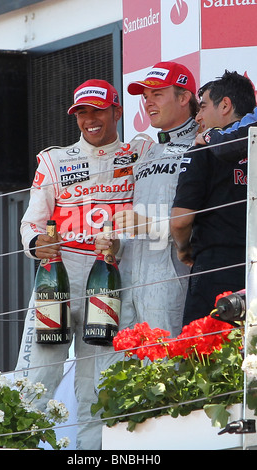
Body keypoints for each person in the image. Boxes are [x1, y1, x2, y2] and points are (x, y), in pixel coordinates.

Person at [15, 79, 151, 450]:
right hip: (58, 278)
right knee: (34, 381)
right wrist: (35, 243)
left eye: (98, 110)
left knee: (98, 387)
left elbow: (155, 207)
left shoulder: (141, 153)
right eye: (82, 113)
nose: (90, 119)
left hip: (109, 275)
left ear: (117, 111)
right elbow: (31, 221)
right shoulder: (54, 159)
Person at [95, 61, 199, 338]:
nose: (148, 103)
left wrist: (150, 225)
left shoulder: (202, 146)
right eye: (145, 97)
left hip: (172, 279)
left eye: (157, 94)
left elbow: (211, 219)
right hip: (130, 280)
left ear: (184, 97)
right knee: (129, 375)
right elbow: (140, 220)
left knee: (169, 370)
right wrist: (117, 244)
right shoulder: (148, 153)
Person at [170, 70, 256, 326]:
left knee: (204, 359)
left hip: (216, 269)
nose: (198, 117)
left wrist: (184, 249)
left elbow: (180, 221)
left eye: (203, 107)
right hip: (253, 265)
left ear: (226, 105)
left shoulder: (202, 147)